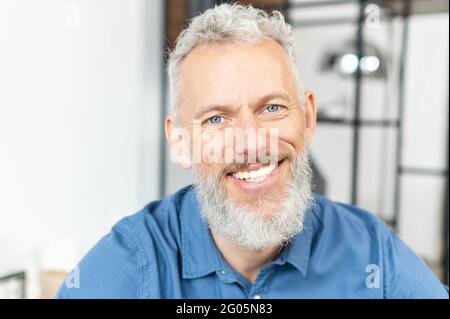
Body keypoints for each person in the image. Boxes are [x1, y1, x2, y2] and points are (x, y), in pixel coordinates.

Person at [56, 3, 448, 298]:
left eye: (272, 108)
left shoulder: (372, 252)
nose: (251, 142)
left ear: (307, 117)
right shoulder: (136, 258)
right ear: (180, 142)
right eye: (216, 119)